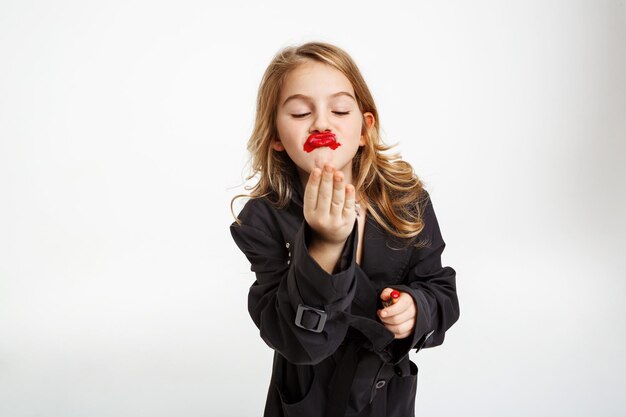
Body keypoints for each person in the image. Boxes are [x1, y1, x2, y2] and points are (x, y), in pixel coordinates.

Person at [229, 41, 459, 417]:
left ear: (365, 128)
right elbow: (287, 335)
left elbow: (442, 290)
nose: (322, 123)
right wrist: (324, 247)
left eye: (339, 109)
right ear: (275, 138)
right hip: (309, 400)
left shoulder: (407, 202)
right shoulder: (262, 221)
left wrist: (418, 309)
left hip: (384, 398)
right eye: (301, 112)